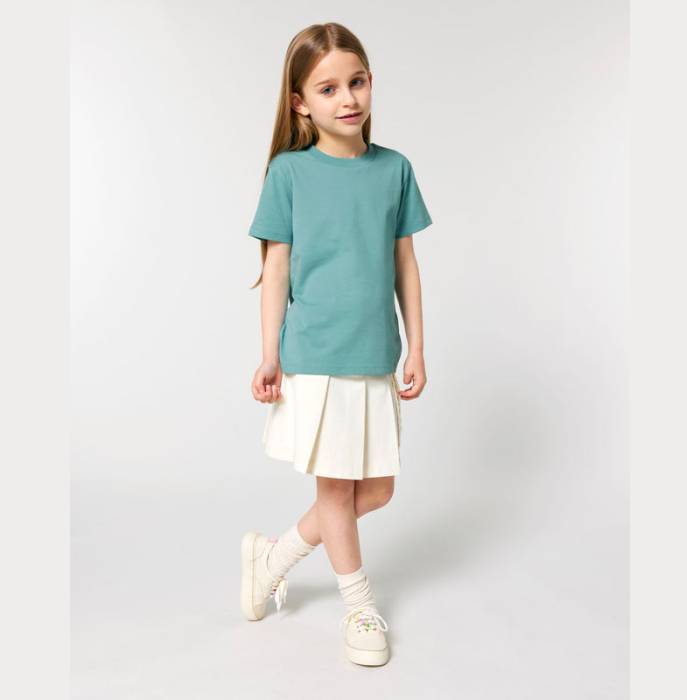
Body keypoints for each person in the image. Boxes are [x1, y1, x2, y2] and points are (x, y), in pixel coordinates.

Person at [240, 22, 433, 667]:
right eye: (328, 89)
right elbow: (276, 269)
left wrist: (416, 347)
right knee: (336, 493)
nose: (347, 98)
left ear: (371, 83)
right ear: (300, 102)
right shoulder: (289, 173)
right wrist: (270, 353)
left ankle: (273, 558)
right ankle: (359, 606)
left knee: (374, 492)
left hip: (374, 352)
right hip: (316, 355)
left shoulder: (395, 169)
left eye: (356, 82)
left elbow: (405, 264)